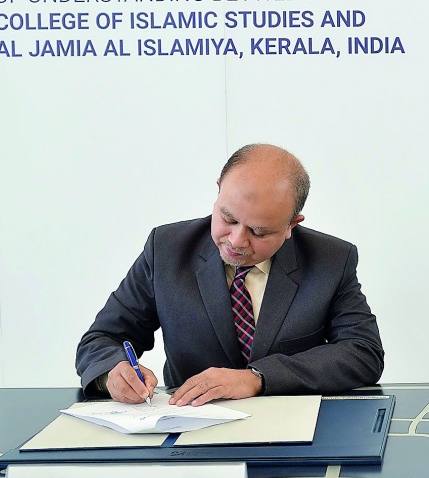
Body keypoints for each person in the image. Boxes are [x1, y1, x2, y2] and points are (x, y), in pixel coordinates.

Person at [76, 143, 384, 406]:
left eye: (258, 231)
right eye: (228, 218)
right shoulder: (167, 250)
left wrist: (257, 378)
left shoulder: (330, 259)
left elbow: (363, 353)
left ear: (293, 225)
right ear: (218, 191)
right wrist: (112, 373)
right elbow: (102, 339)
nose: (236, 240)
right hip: (189, 431)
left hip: (290, 432)